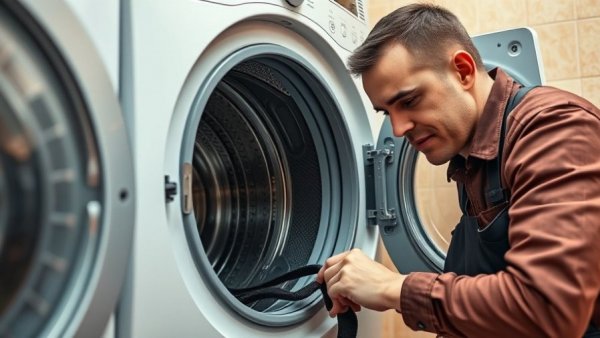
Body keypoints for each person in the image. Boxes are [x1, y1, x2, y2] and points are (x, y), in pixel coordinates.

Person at [317, 3, 600, 337]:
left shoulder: (554, 129)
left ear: (463, 71)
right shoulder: (471, 158)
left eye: (408, 101)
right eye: (385, 112)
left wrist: (391, 288)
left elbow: (549, 308)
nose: (398, 128)